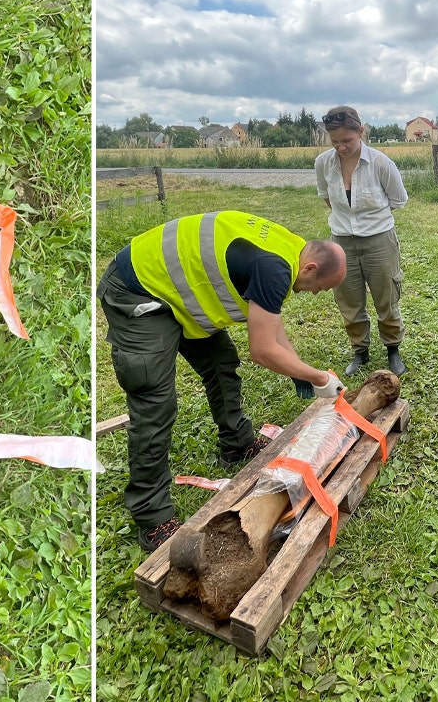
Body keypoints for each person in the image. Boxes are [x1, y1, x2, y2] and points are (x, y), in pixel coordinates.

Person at [97, 211, 347, 551]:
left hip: (177, 295)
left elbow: (272, 328)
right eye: (321, 287)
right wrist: (317, 376)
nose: (317, 294)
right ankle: (152, 518)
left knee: (220, 363)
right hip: (139, 290)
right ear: (312, 269)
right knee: (154, 401)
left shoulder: (289, 250)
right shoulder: (275, 267)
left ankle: (237, 443)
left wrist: (302, 371)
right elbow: (262, 350)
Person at [314, 106, 410, 377]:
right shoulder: (323, 164)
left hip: (379, 240)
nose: (341, 148)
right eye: (335, 142)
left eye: (347, 141)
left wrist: (372, 222)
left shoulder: (381, 164)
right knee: (348, 298)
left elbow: (398, 200)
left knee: (386, 296)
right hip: (341, 242)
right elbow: (327, 198)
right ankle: (360, 351)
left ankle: (393, 349)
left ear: (361, 132)